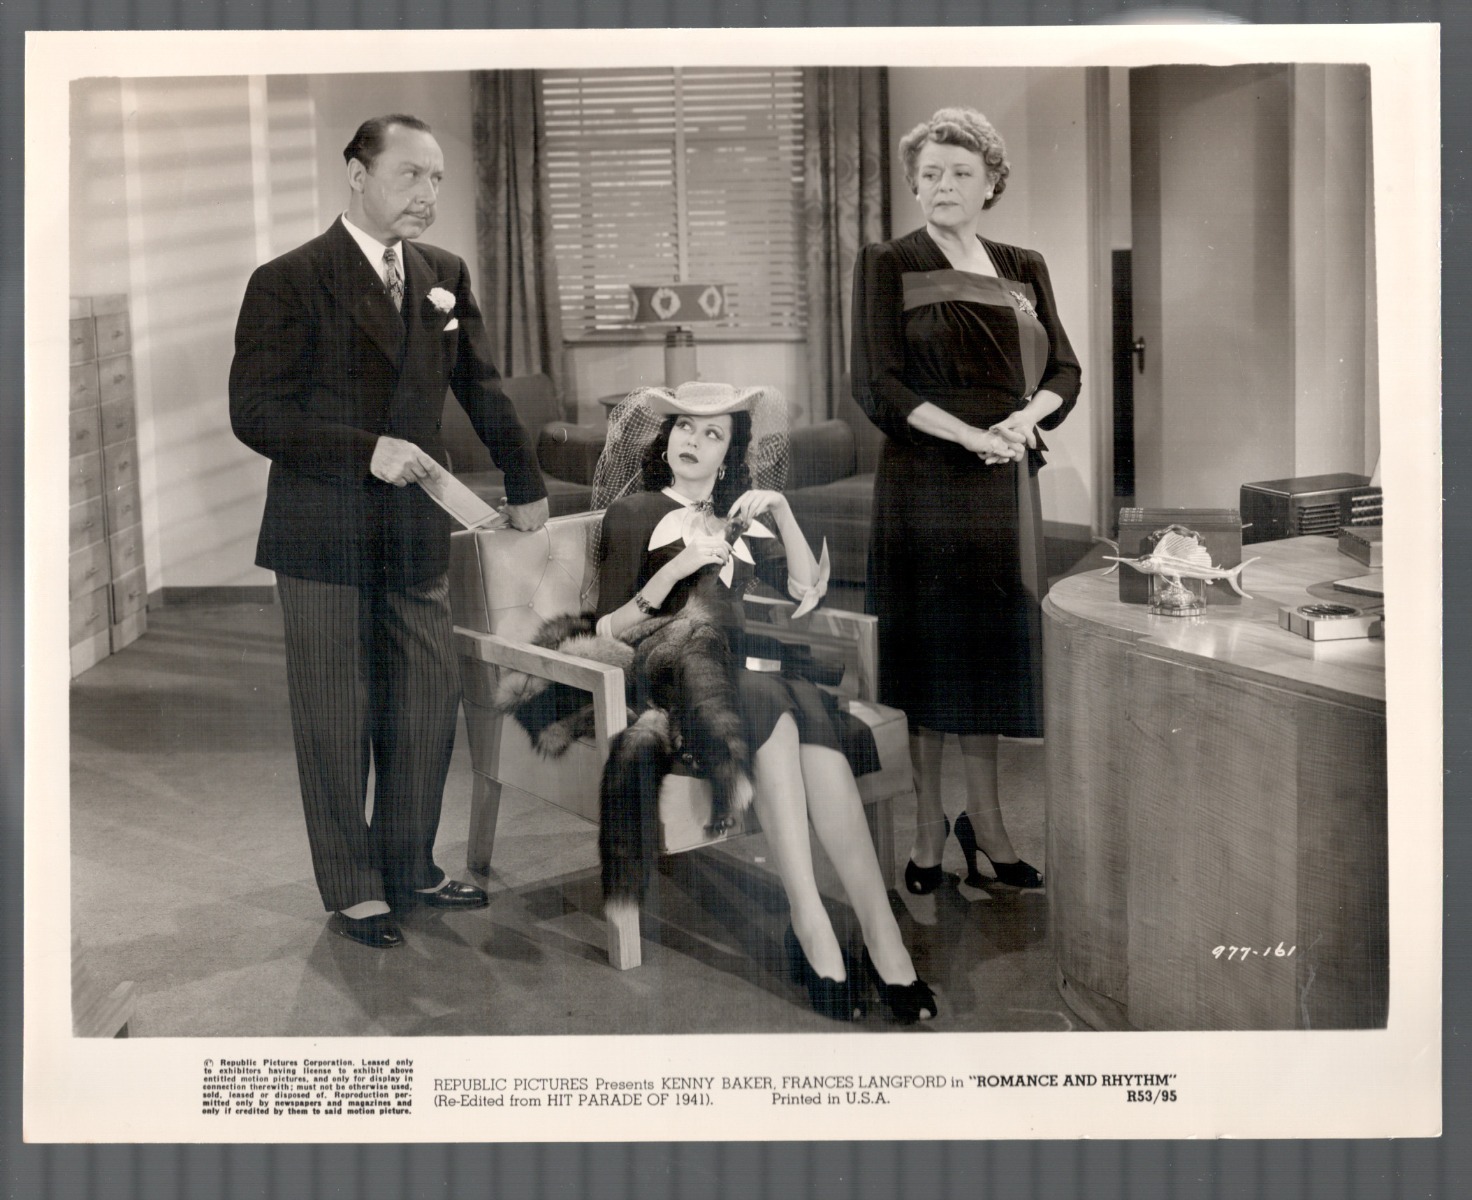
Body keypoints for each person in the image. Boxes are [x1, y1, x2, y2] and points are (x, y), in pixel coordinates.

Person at [229, 114, 549, 949]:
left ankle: (408, 865)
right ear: (357, 173)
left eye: (437, 178)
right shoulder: (288, 279)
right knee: (337, 715)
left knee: (426, 706)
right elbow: (255, 413)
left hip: (413, 529)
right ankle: (354, 887)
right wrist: (365, 449)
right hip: (322, 534)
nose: (427, 193)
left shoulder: (444, 274)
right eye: (410, 174)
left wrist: (525, 482)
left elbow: (483, 387)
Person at [591, 381, 937, 1024]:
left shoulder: (740, 520)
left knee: (788, 694)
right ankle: (812, 923)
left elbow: (806, 590)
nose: (694, 441)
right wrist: (672, 572)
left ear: (730, 454)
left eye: (713, 433)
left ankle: (877, 932)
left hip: (747, 681)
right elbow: (606, 630)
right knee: (774, 693)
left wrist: (780, 508)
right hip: (670, 678)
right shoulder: (634, 512)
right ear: (665, 437)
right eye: (684, 427)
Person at [850, 107, 1081, 896]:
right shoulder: (888, 260)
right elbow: (876, 383)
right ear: (914, 186)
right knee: (928, 660)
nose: (942, 185)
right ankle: (926, 829)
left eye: (959, 173)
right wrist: (967, 435)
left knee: (987, 654)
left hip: (1004, 481)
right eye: (929, 174)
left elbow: (1065, 371)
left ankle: (987, 824)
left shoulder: (1024, 266)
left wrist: (1022, 420)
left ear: (991, 185)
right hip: (924, 481)